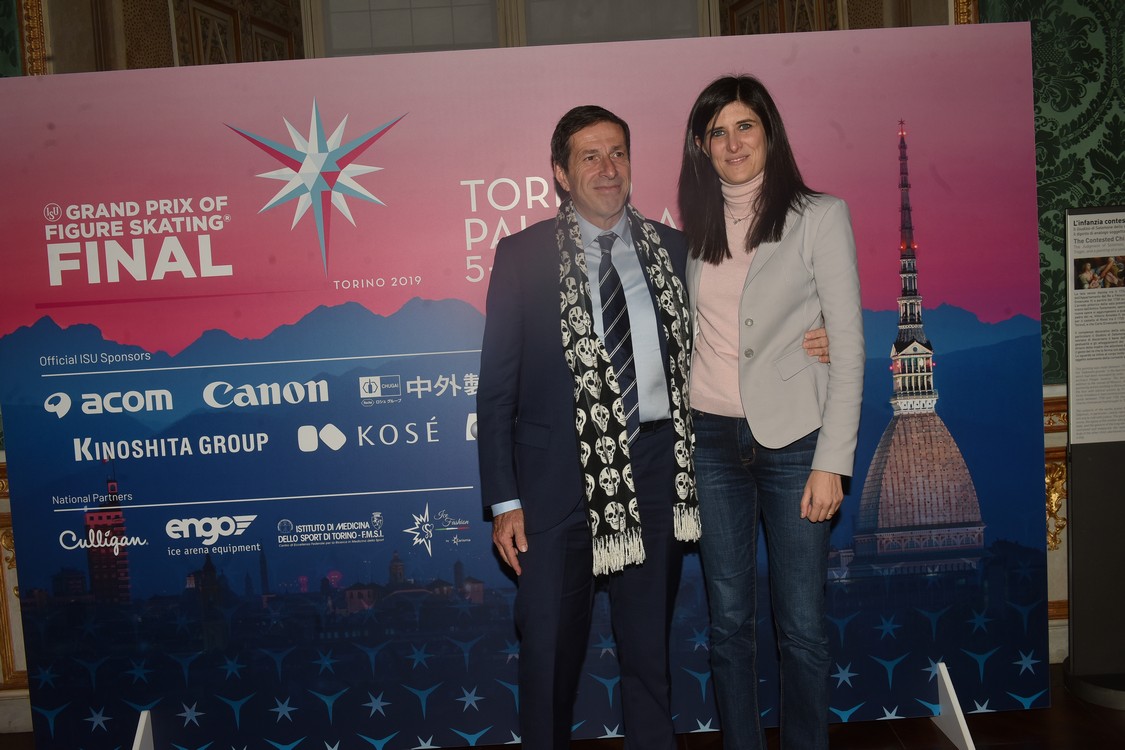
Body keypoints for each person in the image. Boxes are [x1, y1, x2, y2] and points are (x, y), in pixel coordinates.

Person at [476, 105, 699, 750]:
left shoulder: (674, 251)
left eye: (618, 153)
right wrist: (505, 500)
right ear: (561, 172)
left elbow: (724, 342)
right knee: (548, 656)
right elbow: (497, 389)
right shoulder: (523, 256)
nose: (608, 168)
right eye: (590, 156)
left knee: (649, 655)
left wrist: (807, 341)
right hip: (554, 484)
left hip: (654, 472)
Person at [677, 75, 865, 749]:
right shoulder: (693, 229)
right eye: (717, 132)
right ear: (702, 146)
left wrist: (832, 462)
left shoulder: (819, 215)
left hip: (794, 443)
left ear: (769, 133)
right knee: (728, 623)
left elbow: (847, 345)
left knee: (802, 626)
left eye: (745, 126)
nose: (732, 143)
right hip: (709, 442)